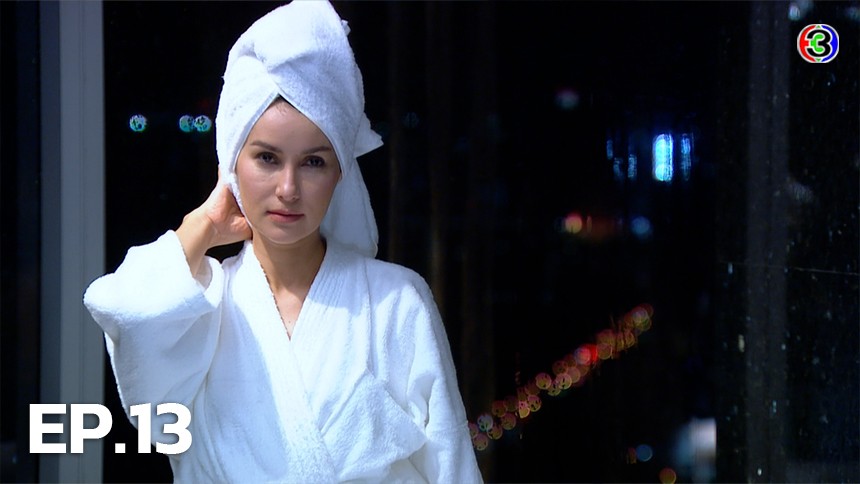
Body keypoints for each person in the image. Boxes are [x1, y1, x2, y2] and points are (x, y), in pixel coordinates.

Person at [83, 2, 483, 482]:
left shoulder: (396, 301)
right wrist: (203, 223)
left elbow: (452, 466)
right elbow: (127, 313)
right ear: (232, 161)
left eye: (314, 162)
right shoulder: (199, 308)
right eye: (267, 158)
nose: (289, 189)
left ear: (340, 171)